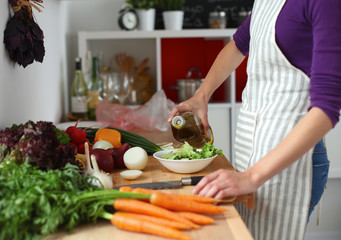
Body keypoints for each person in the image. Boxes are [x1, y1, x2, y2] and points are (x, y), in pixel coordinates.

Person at [167, 0, 341, 239]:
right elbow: (238, 44)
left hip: (290, 163)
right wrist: (201, 95)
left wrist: (252, 176)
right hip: (251, 154)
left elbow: (326, 109)